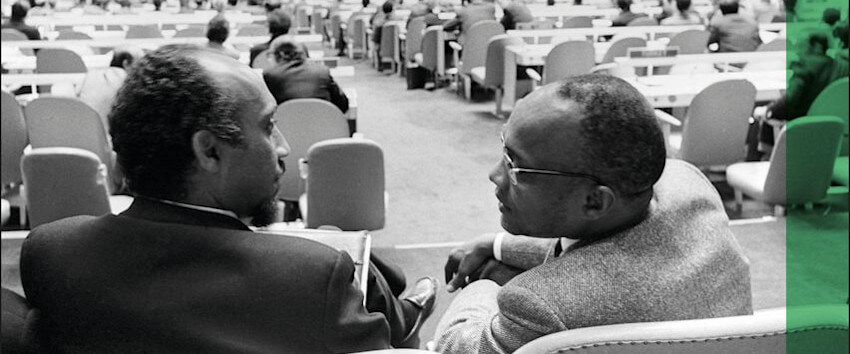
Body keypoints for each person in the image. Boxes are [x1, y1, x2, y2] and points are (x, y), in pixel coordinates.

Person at [19, 44, 437, 352]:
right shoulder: (311, 278)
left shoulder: (50, 252)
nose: (285, 147)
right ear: (209, 151)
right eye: (268, 125)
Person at [434, 75, 753, 353]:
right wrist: (496, 245)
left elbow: (460, 346)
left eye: (515, 166)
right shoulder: (688, 184)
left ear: (595, 203)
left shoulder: (538, 305)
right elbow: (602, 249)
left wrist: (484, 287)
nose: (495, 174)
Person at [755, 33, 849, 156]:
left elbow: (790, 99)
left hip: (802, 127)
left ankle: (757, 164)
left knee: (762, 117)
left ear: (809, 46)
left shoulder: (804, 64)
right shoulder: (841, 66)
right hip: (833, 132)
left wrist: (768, 110)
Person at [263, 35, 350, 114]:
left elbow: (264, 110)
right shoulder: (322, 71)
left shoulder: (270, 75)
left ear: (280, 55)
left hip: (286, 129)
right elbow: (343, 105)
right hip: (323, 128)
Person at [78, 45, 145, 128]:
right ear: (126, 63)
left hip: (88, 129)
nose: (141, 69)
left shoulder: (93, 75)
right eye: (139, 64)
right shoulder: (124, 81)